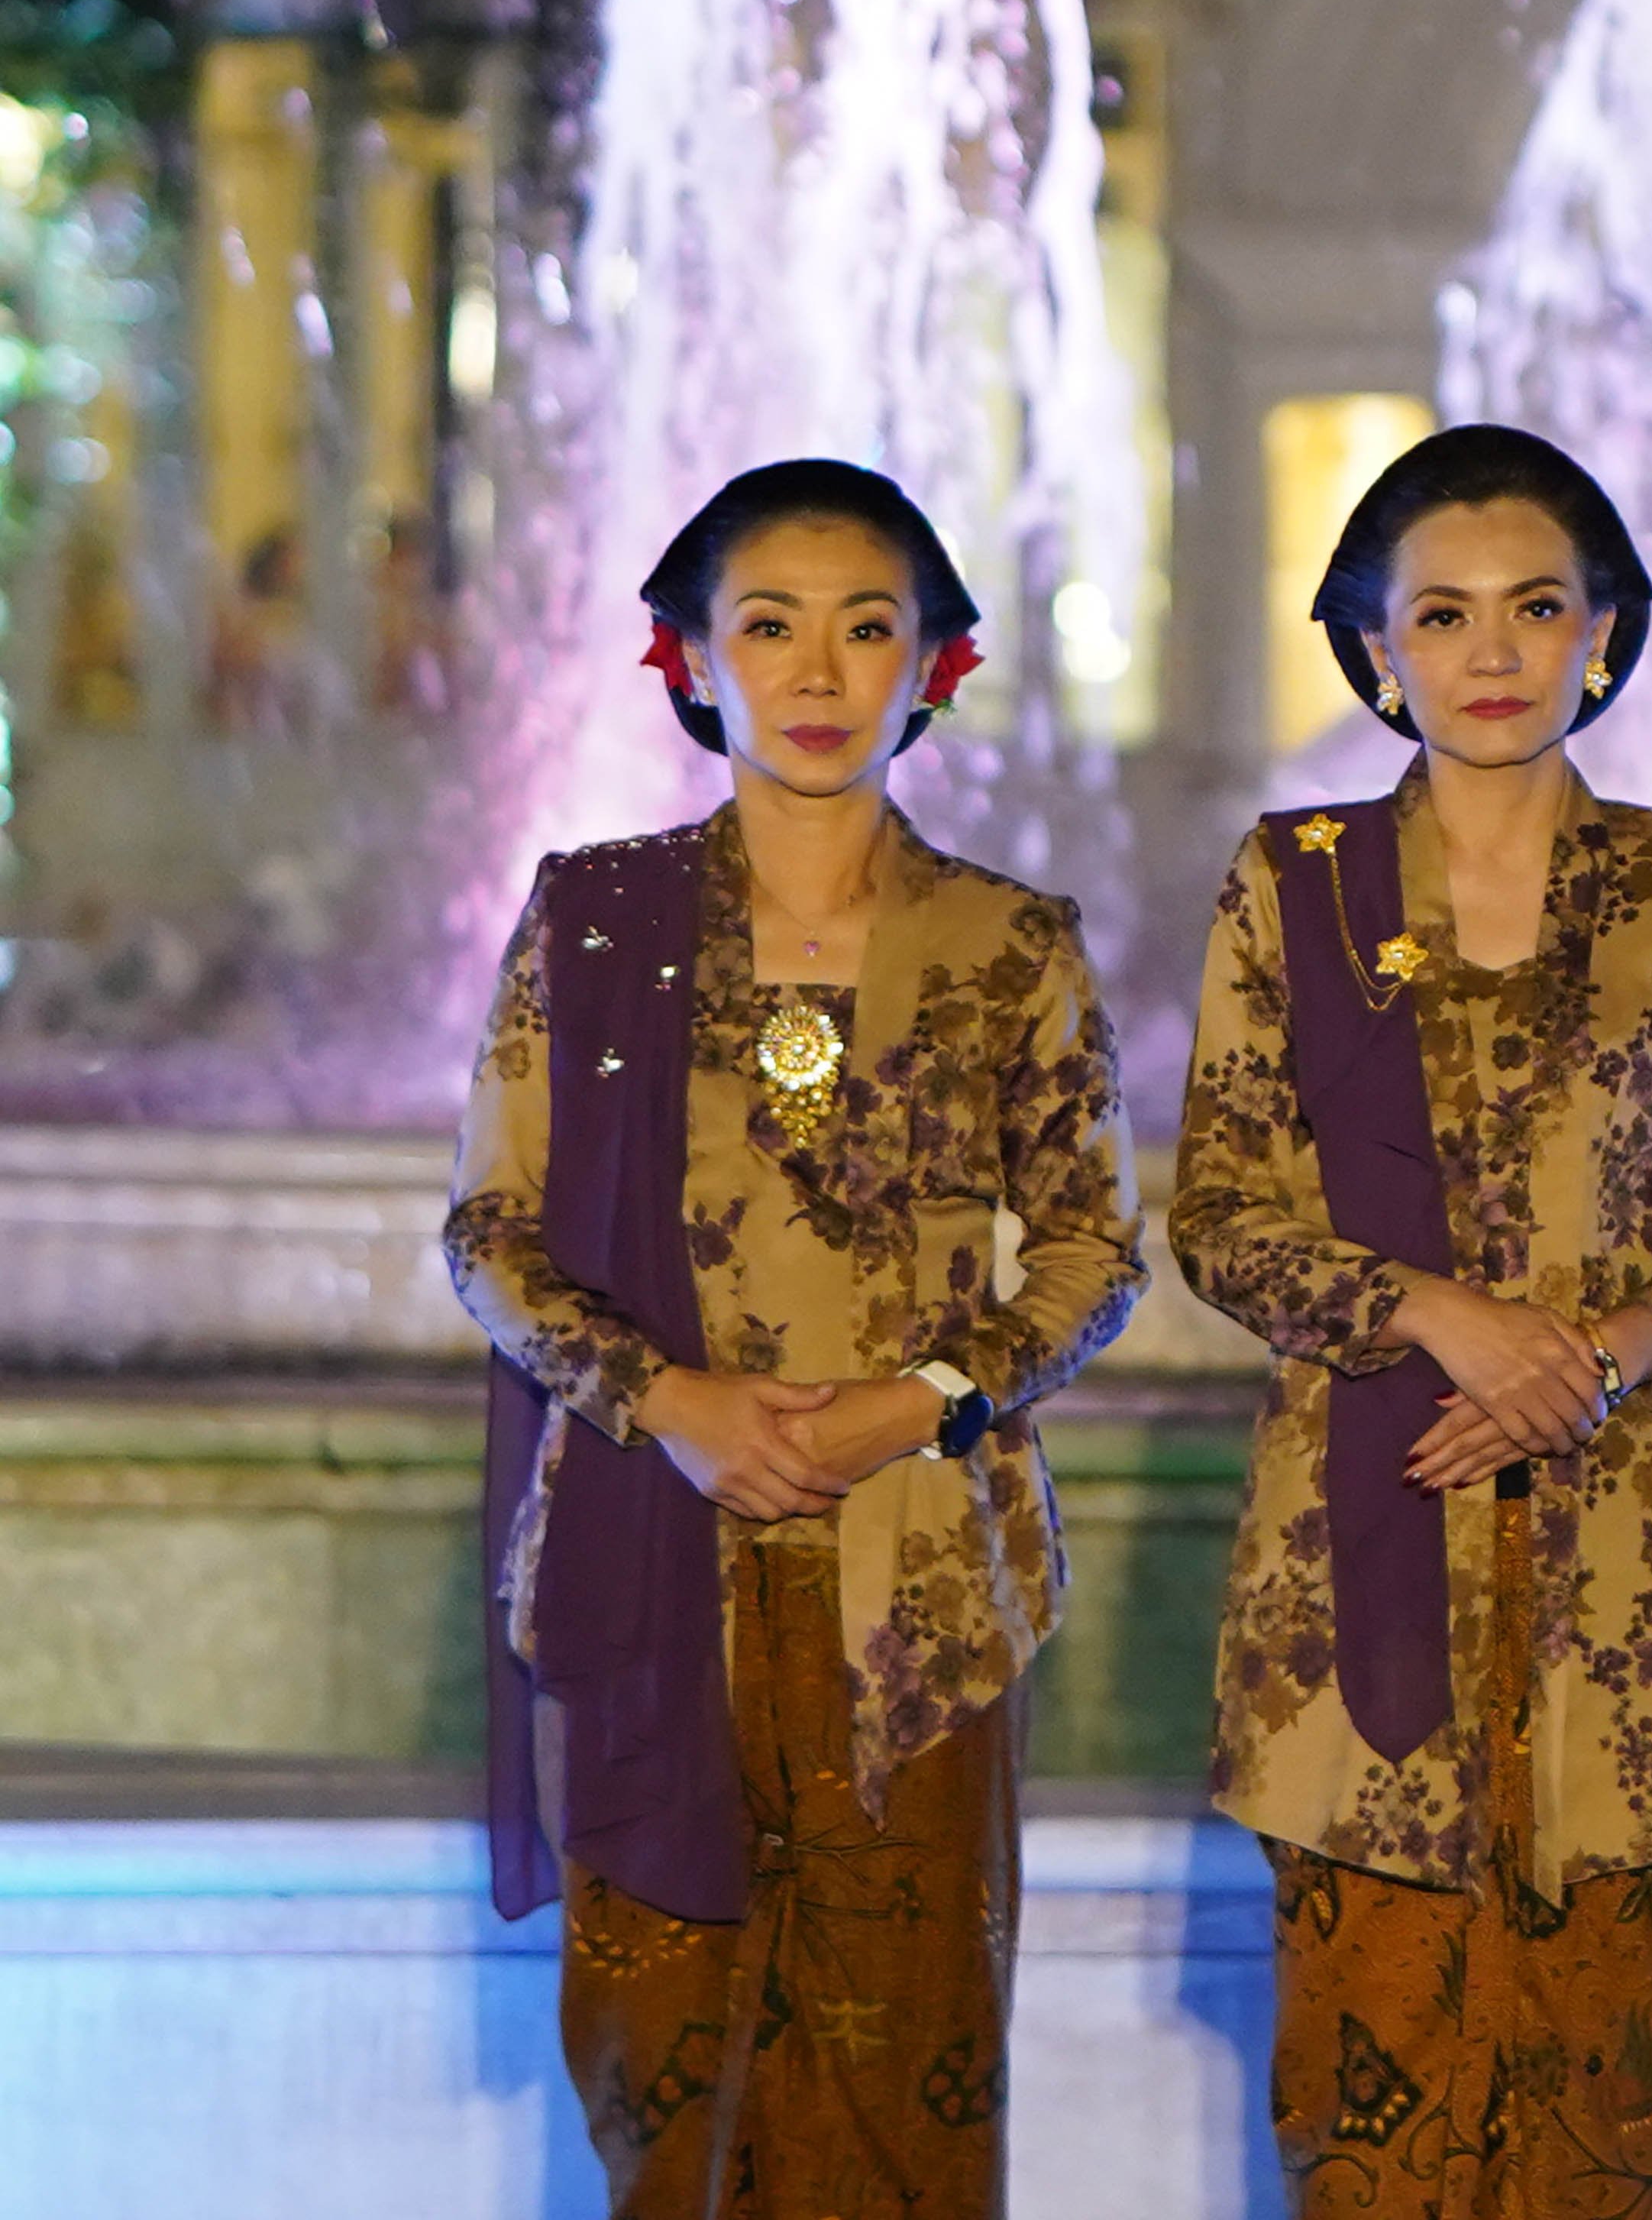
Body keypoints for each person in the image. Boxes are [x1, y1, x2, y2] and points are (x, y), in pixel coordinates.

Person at [445, 457, 1144, 2218]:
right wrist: (668, 1397)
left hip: (915, 1585)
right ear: (690, 661)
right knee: (663, 2083)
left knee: (910, 2092)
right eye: (770, 625)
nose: (819, 672)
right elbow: (489, 1233)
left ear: (939, 667)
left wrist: (913, 1403)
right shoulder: (593, 916)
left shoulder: (1007, 945)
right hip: (649, 1561)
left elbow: (1091, 1249)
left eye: (866, 627)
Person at [1173, 422, 1652, 2219]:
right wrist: (1439, 1314)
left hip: (1620, 1580)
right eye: (1439, 614)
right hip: (1355, 1562)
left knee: (1605, 2123)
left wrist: (1590, 1359)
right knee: (1364, 2125)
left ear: (1603, 628)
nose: (1492, 650)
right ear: (1375, 650)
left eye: (1536, 607)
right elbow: (1219, 1211)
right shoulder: (1289, 881)